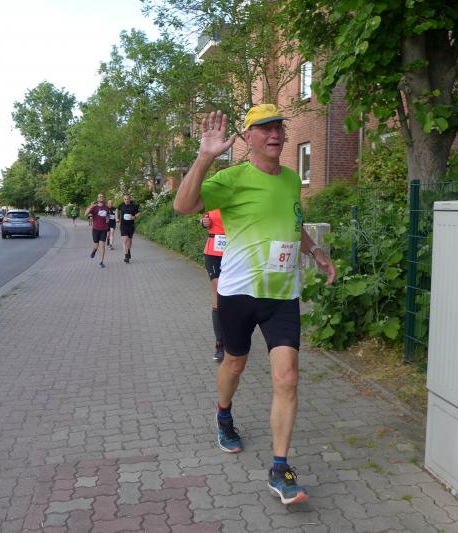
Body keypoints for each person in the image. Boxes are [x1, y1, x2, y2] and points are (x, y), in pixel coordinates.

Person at [173, 104, 336, 506]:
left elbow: (293, 224)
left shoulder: (292, 179)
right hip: (239, 294)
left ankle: (280, 468)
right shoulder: (232, 179)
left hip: (282, 296)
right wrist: (205, 158)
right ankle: (223, 413)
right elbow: (183, 205)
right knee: (235, 364)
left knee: (288, 377)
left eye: (278, 127)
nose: (275, 134)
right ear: (248, 138)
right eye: (264, 129)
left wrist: (316, 252)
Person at [201, 209, 226, 363]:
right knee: (218, 292)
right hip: (213, 253)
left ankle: (234, 334)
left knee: (234, 296)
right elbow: (205, 219)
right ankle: (220, 344)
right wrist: (204, 222)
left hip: (234, 252)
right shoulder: (212, 201)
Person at [84, 194, 110, 268]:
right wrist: (90, 207)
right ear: (97, 198)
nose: (101, 198)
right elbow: (85, 214)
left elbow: (107, 216)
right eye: (100, 197)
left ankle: (101, 262)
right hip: (95, 229)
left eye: (102, 197)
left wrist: (107, 219)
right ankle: (94, 250)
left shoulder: (106, 208)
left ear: (104, 198)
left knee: (102, 246)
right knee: (96, 245)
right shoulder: (94, 207)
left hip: (104, 229)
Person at [117, 194, 140, 263]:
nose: (126, 200)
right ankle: (126, 256)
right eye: (125, 199)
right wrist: (117, 218)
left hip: (131, 226)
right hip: (123, 225)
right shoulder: (121, 205)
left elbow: (138, 213)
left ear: (130, 199)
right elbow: (116, 210)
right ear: (123, 199)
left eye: (127, 199)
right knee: (125, 240)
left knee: (129, 241)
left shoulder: (133, 206)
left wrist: (134, 217)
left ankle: (128, 250)